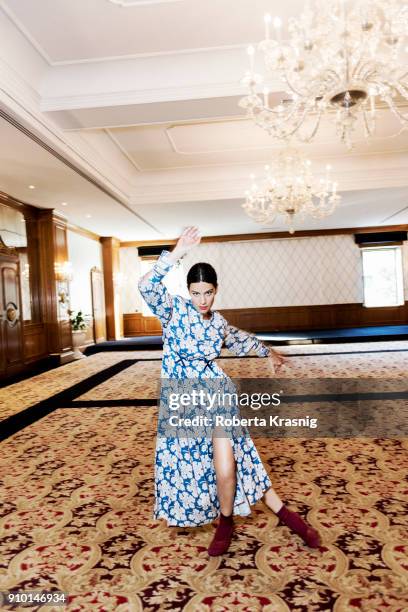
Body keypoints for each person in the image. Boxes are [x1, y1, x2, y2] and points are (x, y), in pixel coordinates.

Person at [138, 226, 321, 556]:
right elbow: (146, 285)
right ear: (188, 291)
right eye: (196, 292)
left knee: (228, 467)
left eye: (208, 292)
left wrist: (269, 351)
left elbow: (237, 337)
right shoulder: (173, 310)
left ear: (216, 290)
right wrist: (177, 251)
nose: (202, 300)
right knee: (193, 469)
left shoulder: (217, 321)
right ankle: (277, 513)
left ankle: (226, 522)